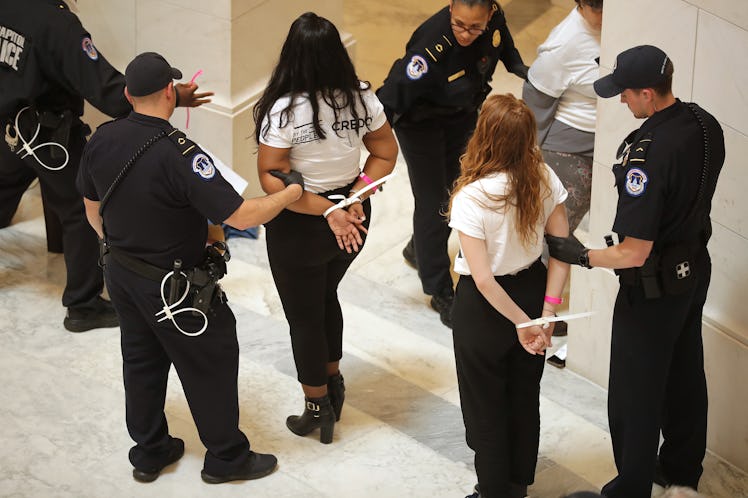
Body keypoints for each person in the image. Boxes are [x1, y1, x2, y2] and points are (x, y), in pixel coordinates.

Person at [77, 52, 303, 483]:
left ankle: (149, 451)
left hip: (121, 274)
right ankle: (226, 458)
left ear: (127, 94)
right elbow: (241, 216)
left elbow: (91, 209)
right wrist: (290, 195)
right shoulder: (179, 154)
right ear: (169, 92)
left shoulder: (102, 138)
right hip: (174, 287)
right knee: (212, 358)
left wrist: (118, 246)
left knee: (140, 360)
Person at [546, 45, 725, 498]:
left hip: (651, 289)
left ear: (648, 93)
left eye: (625, 94)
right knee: (685, 374)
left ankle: (630, 489)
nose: (622, 102)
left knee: (633, 392)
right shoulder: (705, 124)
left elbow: (633, 252)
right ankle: (682, 474)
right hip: (692, 272)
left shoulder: (644, 155)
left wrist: (581, 255)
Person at [0, 0, 211, 332]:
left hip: (8, 126)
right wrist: (167, 96)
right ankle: (83, 306)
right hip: (49, 138)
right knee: (82, 210)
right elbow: (106, 89)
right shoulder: (59, 26)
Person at [254, 12, 397, 444]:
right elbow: (385, 155)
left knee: (303, 318)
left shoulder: (284, 109)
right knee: (324, 297)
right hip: (353, 220)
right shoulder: (362, 99)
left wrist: (329, 210)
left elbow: (271, 176)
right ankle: (333, 382)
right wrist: (351, 199)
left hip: (302, 223)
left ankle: (317, 408)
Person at [377, 0, 529, 328]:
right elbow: (390, 99)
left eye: (474, 27)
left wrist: (521, 69)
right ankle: (439, 288)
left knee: (457, 190)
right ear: (450, 8)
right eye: (458, 23)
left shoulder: (493, 21)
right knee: (434, 203)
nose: (465, 33)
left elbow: (503, 43)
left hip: (461, 115)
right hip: (420, 124)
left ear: (489, 14)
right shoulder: (432, 43)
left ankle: (419, 248)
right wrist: (378, 156)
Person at [448, 94, 570, 498]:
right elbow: (562, 252)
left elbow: (483, 280)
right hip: (533, 292)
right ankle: (517, 487)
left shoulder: (472, 196)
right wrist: (545, 314)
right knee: (522, 397)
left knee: (485, 404)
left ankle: (493, 491)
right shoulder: (545, 178)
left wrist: (522, 322)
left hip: (485, 309)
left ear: (484, 135)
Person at [522, 0, 602, 348]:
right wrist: (528, 160)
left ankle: (541, 310)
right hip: (566, 150)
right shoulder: (564, 45)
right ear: (581, 4)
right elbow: (534, 106)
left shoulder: (614, 24)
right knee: (551, 234)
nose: (605, 13)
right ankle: (534, 316)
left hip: (595, 145)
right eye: (597, 7)